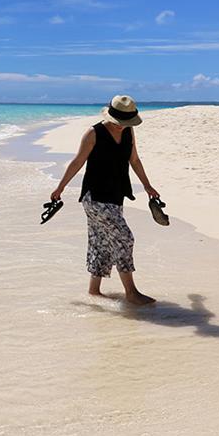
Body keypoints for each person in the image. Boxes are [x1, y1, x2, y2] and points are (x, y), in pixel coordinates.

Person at [50, 95, 159, 305]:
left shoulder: (128, 131)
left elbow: (134, 160)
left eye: (125, 124)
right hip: (95, 198)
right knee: (125, 238)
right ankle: (131, 293)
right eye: (119, 123)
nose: (122, 127)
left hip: (116, 196)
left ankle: (94, 292)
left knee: (100, 242)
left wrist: (147, 186)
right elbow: (78, 161)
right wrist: (60, 187)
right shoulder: (94, 133)